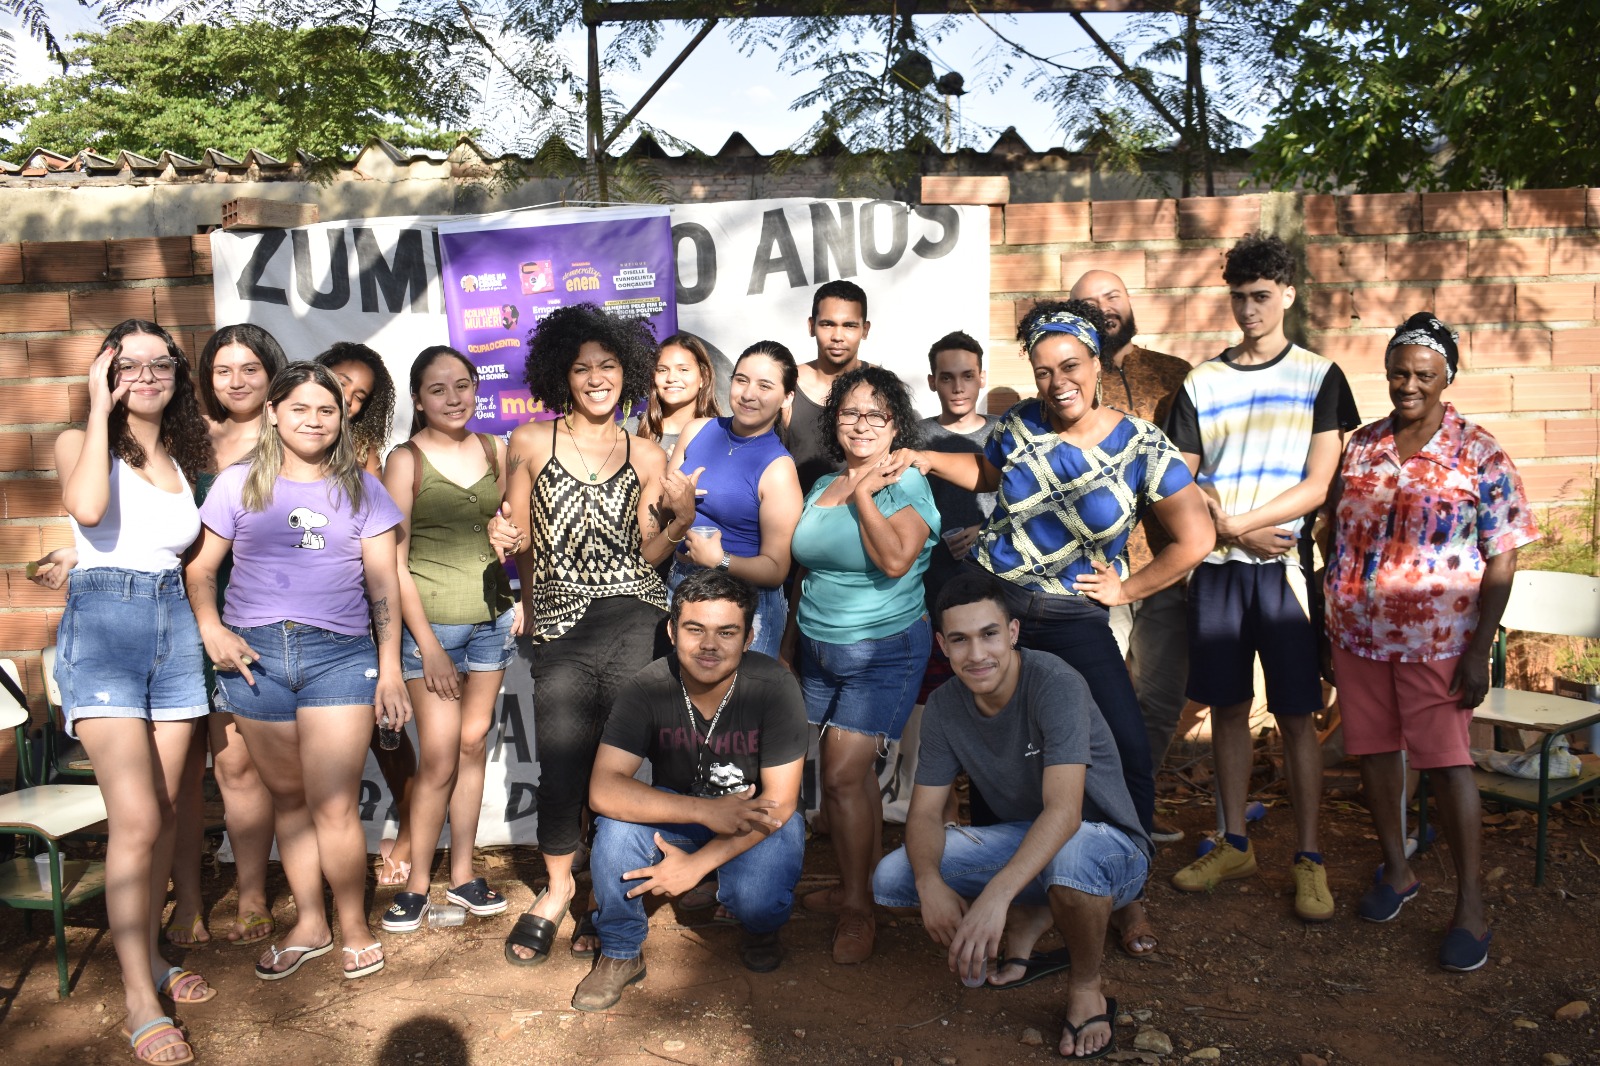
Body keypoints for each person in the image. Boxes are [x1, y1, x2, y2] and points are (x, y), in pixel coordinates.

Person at [895, 299, 1214, 957]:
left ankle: (1129, 897)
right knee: (996, 756)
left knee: (1124, 753)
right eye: (1043, 370)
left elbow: (1195, 538)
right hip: (1003, 612)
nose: (1056, 381)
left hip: (1074, 622)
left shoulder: (1142, 444)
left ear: (1096, 363)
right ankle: (1010, 898)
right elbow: (989, 474)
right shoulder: (1018, 425)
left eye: (1069, 365)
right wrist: (928, 461)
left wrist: (1126, 587)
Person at [1323, 313, 1536, 971]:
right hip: (1358, 636)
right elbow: (1332, 531)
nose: (1408, 384)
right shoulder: (1361, 445)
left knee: (1447, 765)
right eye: (1398, 372)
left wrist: (1478, 651)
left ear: (1447, 379)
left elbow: (1502, 558)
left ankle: (1471, 904)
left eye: (1423, 374)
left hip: (1437, 643)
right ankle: (1398, 870)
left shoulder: (1480, 453)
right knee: (1376, 755)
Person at [186, 361, 410, 982]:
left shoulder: (364, 490)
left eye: (328, 410)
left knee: (333, 803)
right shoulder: (236, 485)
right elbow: (201, 571)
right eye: (301, 408)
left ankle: (354, 923)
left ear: (342, 421)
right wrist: (213, 629)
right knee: (288, 801)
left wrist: (390, 670)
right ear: (274, 414)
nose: (314, 420)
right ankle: (311, 922)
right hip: (255, 660)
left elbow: (383, 585)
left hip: (338, 657)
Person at [1164, 233, 1361, 922]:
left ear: (1287, 296)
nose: (1248, 309)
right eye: (1239, 296)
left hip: (1286, 576)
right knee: (1225, 710)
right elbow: (1180, 480)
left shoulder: (1319, 376)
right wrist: (1232, 529)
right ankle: (1235, 842)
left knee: (1298, 716)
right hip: (1217, 571)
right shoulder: (1201, 382)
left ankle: (1309, 858)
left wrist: (1241, 521)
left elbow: (1320, 483)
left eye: (1261, 296)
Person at [874, 571, 1151, 1059]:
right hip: (1032, 842)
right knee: (893, 876)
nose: (976, 655)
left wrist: (994, 897)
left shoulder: (1055, 682)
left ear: (1013, 632)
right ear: (942, 644)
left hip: (1109, 847)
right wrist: (928, 884)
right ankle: (1036, 909)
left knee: (1074, 857)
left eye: (989, 634)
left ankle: (1086, 984)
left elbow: (1065, 813)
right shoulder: (943, 706)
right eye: (959, 640)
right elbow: (923, 815)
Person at [499, 303, 686, 966]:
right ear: (562, 375)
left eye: (608, 366)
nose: (596, 378)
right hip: (559, 624)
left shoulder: (646, 450)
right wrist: (506, 550)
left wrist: (679, 519)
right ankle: (555, 893)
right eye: (583, 368)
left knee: (621, 767)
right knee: (562, 763)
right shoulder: (528, 442)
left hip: (636, 618)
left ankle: (607, 900)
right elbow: (514, 537)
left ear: (627, 373)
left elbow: (651, 551)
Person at [53, 319, 217, 1066]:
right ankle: (138, 1001)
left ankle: (148, 957)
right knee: (138, 817)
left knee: (170, 810)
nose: (144, 375)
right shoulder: (79, 442)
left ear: (179, 377)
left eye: (161, 364)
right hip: (106, 625)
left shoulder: (187, 454)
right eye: (128, 364)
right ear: (105, 369)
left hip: (173, 625)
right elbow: (88, 512)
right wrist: (97, 402)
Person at [573, 570, 808, 1010]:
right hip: (680, 816)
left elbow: (779, 804)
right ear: (672, 629)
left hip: (753, 818)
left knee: (760, 895)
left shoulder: (774, 687)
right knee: (617, 830)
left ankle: (758, 925)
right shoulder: (648, 685)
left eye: (727, 632)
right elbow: (603, 789)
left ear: (749, 635)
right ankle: (621, 951)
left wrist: (696, 866)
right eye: (695, 629)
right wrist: (704, 813)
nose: (709, 645)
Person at [786, 364, 939, 964]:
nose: (862, 423)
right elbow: (806, 568)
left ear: (896, 423)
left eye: (876, 413)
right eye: (850, 412)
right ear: (834, 420)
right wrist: (790, 647)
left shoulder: (907, 483)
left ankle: (858, 910)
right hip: (818, 647)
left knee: (846, 778)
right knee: (839, 781)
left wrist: (869, 494)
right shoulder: (822, 482)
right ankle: (861, 886)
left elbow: (898, 559)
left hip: (886, 648)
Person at [379, 347, 520, 933]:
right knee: (437, 758)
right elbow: (393, 561)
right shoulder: (405, 459)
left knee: (471, 746)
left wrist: (509, 541)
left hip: (491, 621)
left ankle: (462, 876)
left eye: (464, 385)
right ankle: (416, 884)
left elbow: (509, 526)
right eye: (439, 389)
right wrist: (427, 646)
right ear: (418, 398)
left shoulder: (495, 449)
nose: (455, 398)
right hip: (431, 629)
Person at [1069, 269, 1195, 844]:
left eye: (1112, 296)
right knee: (1098, 700)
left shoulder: (1175, 377)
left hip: (1167, 565)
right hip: (1098, 571)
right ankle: (1106, 815)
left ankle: (1133, 804)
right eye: (1088, 303)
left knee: (1162, 697)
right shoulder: (1069, 385)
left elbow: (1201, 466)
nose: (1103, 308)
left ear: (1130, 302)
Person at [313, 340, 414, 885]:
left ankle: (408, 823)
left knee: (387, 732)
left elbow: (381, 553)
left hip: (358, 612)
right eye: (339, 383)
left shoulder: (367, 456)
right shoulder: (274, 444)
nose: (347, 399)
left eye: (359, 396)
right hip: (292, 621)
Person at [666, 340, 803, 658]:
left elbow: (776, 569)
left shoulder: (778, 468)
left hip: (744, 601)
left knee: (738, 705)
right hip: (682, 586)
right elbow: (665, 506)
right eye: (741, 380)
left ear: (787, 397)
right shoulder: (697, 430)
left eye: (765, 386)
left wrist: (720, 560)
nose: (748, 393)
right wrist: (674, 503)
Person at [918, 330, 998, 606]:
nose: (958, 388)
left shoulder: (1005, 432)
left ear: (982, 378)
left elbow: (1029, 502)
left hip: (998, 579)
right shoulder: (914, 438)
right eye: (947, 378)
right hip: (931, 582)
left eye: (967, 376)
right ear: (932, 382)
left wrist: (987, 528)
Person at [786, 280, 871, 495]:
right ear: (811, 326)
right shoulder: (786, 383)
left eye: (849, 325)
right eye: (828, 324)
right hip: (796, 521)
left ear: (865, 330)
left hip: (868, 517)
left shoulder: (883, 386)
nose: (838, 336)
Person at [637, 333, 721, 455]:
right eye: (663, 370)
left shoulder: (724, 436)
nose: (671, 378)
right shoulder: (626, 432)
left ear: (704, 377)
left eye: (683, 370)